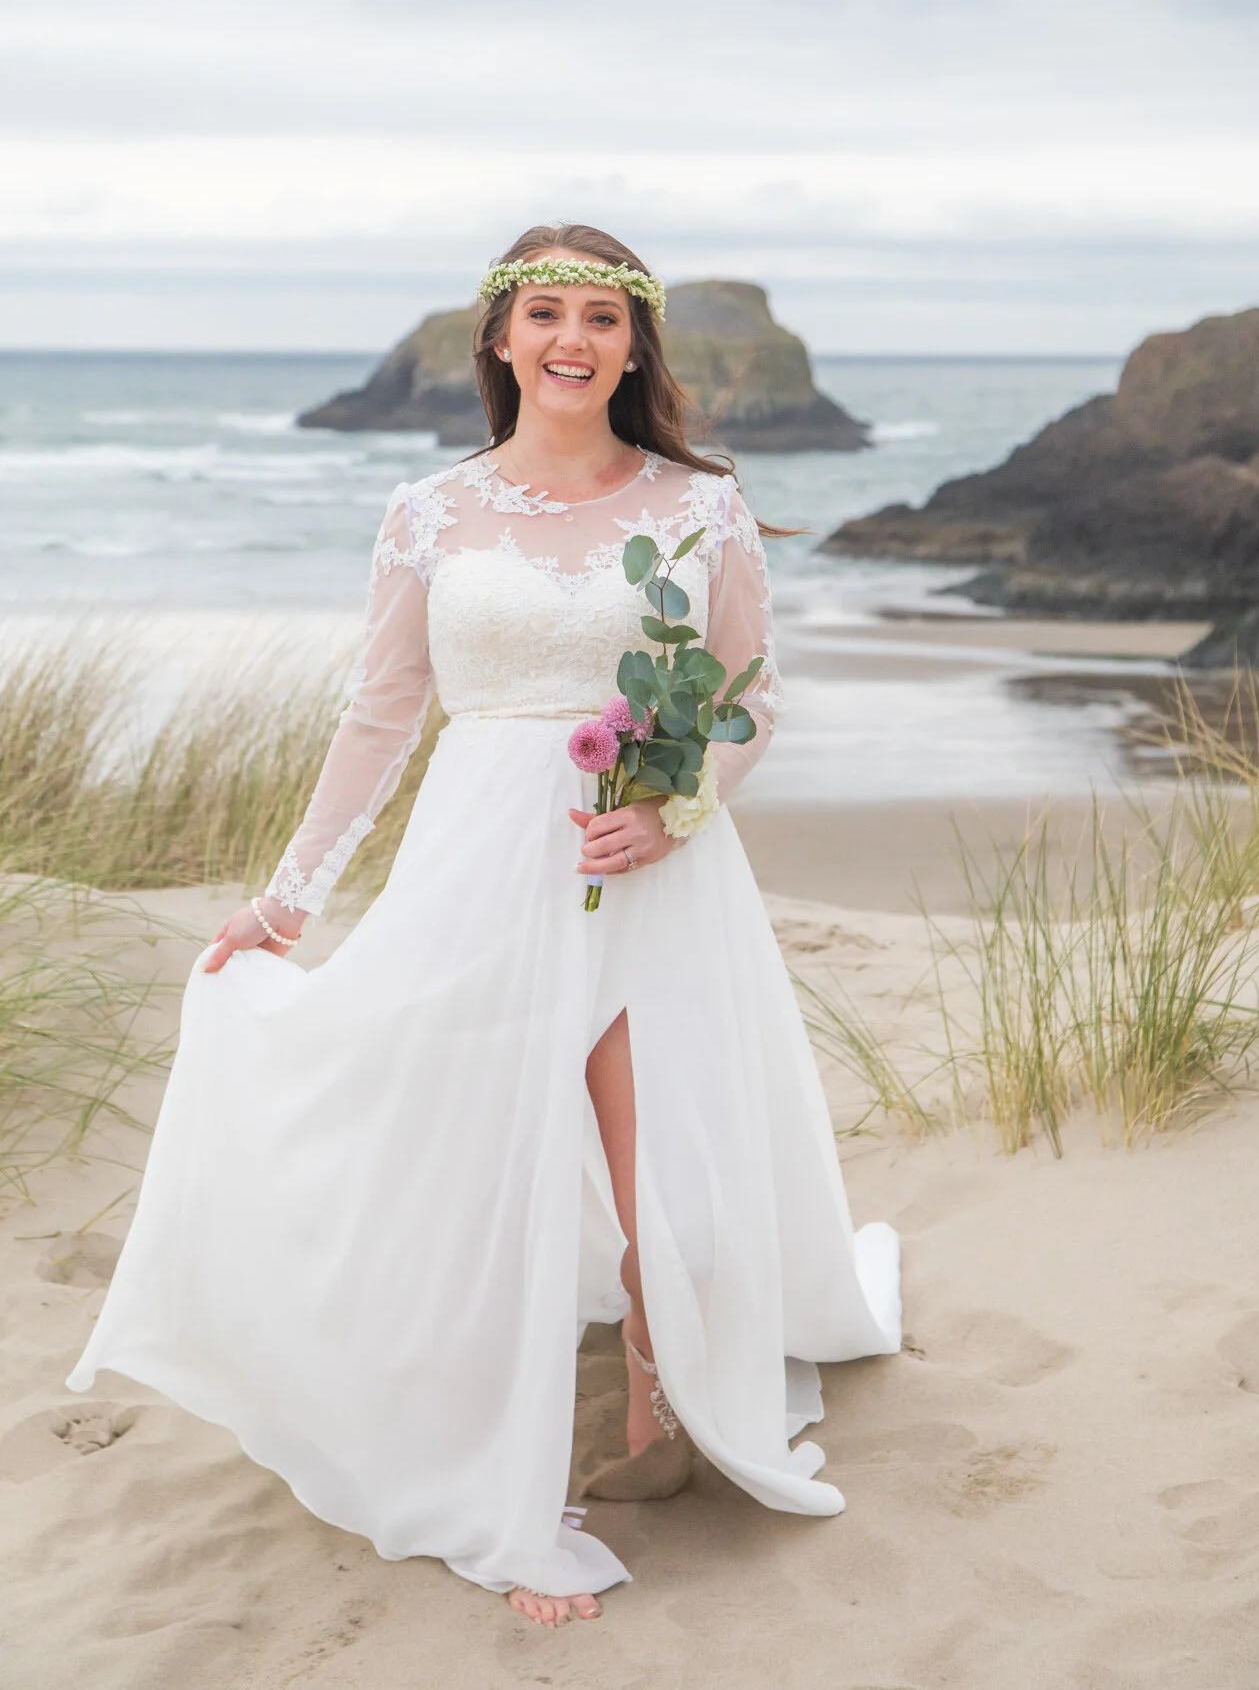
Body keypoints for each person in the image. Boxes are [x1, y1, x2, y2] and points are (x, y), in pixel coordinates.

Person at [69, 223, 901, 1628]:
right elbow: (382, 713)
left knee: (655, 1158)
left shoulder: (701, 503)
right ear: (500, 341)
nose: (571, 340)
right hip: (477, 859)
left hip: (647, 859)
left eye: (598, 317)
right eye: (544, 316)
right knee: (479, 1147)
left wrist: (679, 809)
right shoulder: (431, 513)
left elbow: (752, 696)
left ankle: (658, 1355)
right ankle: (487, 1456)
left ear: (634, 346)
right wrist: (288, 899)